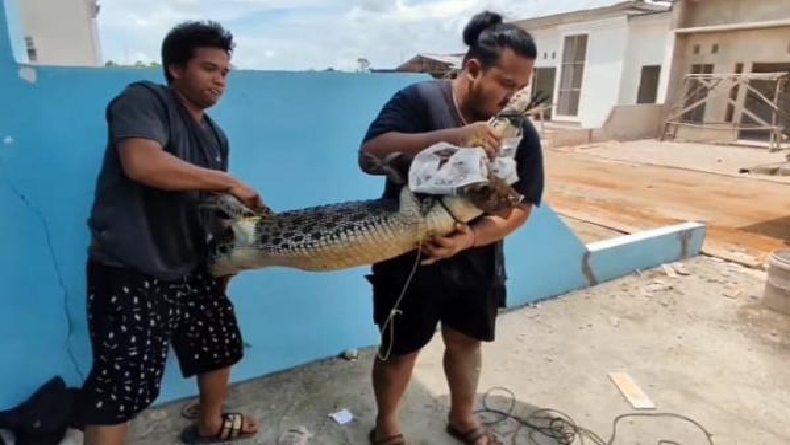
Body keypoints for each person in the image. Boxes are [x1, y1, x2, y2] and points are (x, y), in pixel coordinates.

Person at [358, 10, 544, 445]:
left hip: (475, 257)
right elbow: (369, 156)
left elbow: (524, 205)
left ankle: (463, 419)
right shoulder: (418, 102)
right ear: (474, 69)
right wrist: (454, 138)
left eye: (520, 89)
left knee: (465, 342)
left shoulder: (518, 131)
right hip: (408, 255)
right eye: (506, 84)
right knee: (400, 349)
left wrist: (474, 237)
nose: (511, 98)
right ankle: (386, 429)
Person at [75, 21, 264, 445]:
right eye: (209, 68)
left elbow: (207, 209)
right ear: (176, 68)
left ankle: (210, 426)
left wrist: (235, 246)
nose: (220, 79)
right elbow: (142, 163)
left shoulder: (215, 137)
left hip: (192, 265)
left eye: (225, 72)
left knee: (219, 345)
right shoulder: (144, 100)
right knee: (121, 388)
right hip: (131, 268)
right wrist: (230, 182)